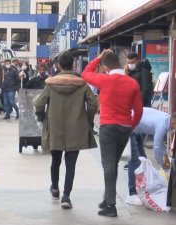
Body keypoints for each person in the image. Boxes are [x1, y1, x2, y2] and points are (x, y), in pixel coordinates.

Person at [48, 50, 143, 216]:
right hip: (125, 127)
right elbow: (139, 110)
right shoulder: (132, 83)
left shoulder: (105, 80)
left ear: (106, 67)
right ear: (121, 64)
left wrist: (98, 57)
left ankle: (111, 205)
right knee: (113, 164)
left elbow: (85, 73)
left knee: (108, 165)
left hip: (108, 127)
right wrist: (131, 126)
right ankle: (107, 199)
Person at [35, 51, 98, 209]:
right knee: (71, 164)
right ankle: (66, 196)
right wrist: (88, 120)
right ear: (73, 65)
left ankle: (55, 188)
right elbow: (93, 105)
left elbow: (39, 104)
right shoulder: (82, 84)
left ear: (59, 65)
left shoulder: (50, 83)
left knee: (55, 160)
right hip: (76, 129)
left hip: (55, 128)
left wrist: (43, 117)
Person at [125, 108, 176, 205]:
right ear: (173, 123)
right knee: (135, 161)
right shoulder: (162, 125)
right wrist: (163, 164)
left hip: (136, 126)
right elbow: (157, 147)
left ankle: (141, 188)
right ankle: (132, 194)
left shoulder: (165, 118)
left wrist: (165, 160)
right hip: (129, 125)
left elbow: (161, 145)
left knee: (143, 160)